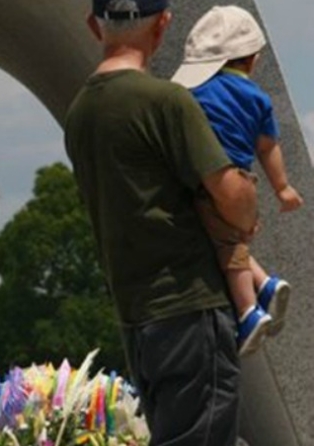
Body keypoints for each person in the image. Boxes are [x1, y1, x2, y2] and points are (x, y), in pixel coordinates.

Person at [64, 0, 256, 444]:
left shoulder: (80, 114)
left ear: (95, 26)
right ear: (164, 24)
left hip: (137, 314)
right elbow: (237, 204)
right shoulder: (166, 101)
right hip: (189, 307)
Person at [171, 5, 303, 356]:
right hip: (246, 180)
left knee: (226, 248)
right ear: (254, 60)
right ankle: (265, 284)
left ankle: (248, 311)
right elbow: (268, 146)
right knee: (229, 238)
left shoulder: (195, 94)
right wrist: (283, 187)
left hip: (210, 181)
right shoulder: (258, 98)